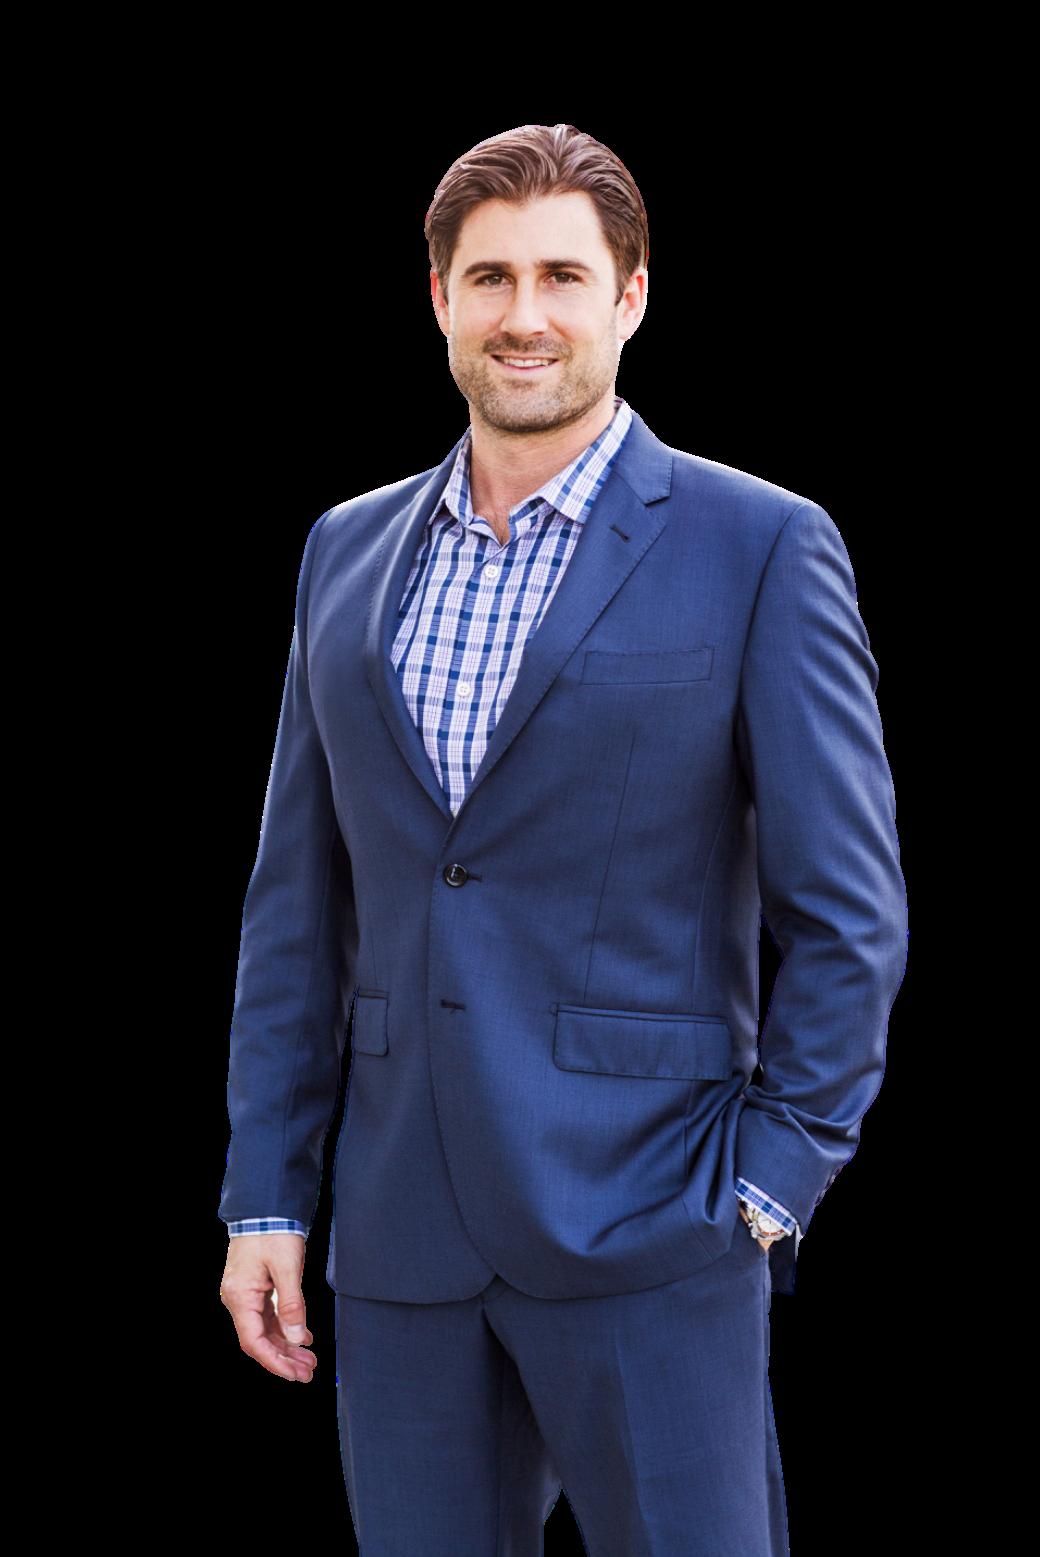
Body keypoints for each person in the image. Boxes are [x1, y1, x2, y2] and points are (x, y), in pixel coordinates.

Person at [218, 122, 907, 1554]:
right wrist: (266, 1198)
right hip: (401, 1235)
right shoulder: (344, 550)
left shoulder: (760, 545)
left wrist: (768, 1188)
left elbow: (848, 915)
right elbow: (299, 905)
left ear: (631, 296)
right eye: (490, 278)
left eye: (562, 277)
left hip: (656, 1224)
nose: (522, 315)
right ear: (439, 298)